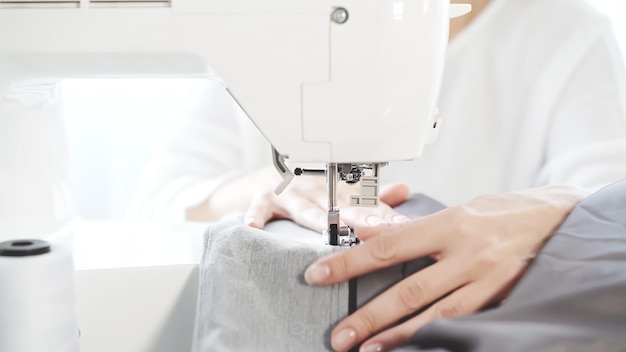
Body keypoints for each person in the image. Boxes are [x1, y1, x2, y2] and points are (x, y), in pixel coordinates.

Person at [130, 0, 626, 350]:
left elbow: (609, 203)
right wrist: (262, 186)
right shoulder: (265, 21)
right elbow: (156, 205)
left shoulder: (566, 33)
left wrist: (548, 221)